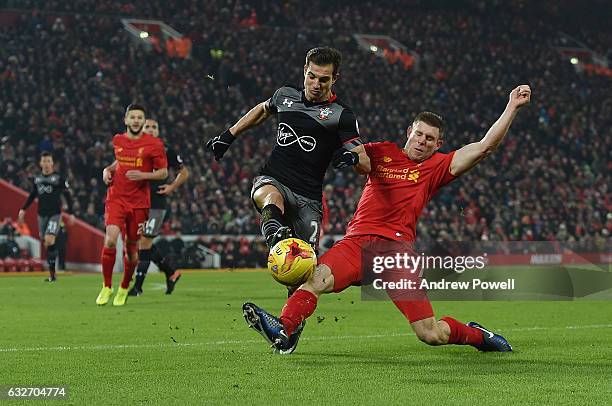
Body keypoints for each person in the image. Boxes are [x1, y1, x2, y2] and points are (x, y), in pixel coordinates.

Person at [243, 85, 532, 354]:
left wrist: (512, 107)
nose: (422, 141)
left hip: (396, 254)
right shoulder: (382, 152)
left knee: (430, 334)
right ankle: (284, 328)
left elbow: (483, 147)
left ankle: (478, 336)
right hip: (356, 243)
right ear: (409, 131)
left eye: (430, 138)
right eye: (419, 134)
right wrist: (350, 157)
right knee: (316, 279)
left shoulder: (437, 166)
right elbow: (354, 154)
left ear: (438, 144)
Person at [206, 46, 370, 253]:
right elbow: (262, 110)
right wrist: (228, 136)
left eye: (323, 79)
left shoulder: (341, 115)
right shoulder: (285, 95)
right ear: (304, 70)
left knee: (304, 274)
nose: (316, 84)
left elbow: (365, 163)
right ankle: (275, 237)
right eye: (312, 76)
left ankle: (290, 259)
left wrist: (351, 158)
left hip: (308, 198)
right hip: (274, 178)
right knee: (270, 197)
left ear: (334, 79)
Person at [96, 104, 168, 306]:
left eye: (139, 117)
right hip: (116, 198)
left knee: (132, 248)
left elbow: (163, 173)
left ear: (143, 122)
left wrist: (143, 175)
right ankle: (107, 286)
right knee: (110, 240)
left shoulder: (154, 144)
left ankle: (124, 286)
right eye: (133, 117)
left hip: (139, 203)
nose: (136, 120)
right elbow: (120, 161)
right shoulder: (118, 140)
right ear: (126, 120)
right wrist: (107, 169)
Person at [126, 118, 190, 296]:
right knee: (141, 243)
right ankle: (171, 272)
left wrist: (171, 187)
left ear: (158, 131)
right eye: (148, 127)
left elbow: (184, 173)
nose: (151, 129)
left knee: (145, 242)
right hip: (139, 203)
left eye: (154, 127)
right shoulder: (135, 149)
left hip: (157, 204)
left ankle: (138, 287)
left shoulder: (166, 150)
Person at [18, 151, 74, 281]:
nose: (47, 164)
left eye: (49, 161)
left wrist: (71, 213)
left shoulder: (59, 179)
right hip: (41, 215)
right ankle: (52, 275)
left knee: (49, 239)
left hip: (54, 214)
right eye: (44, 161)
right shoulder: (37, 179)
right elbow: (32, 195)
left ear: (52, 163)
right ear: (40, 163)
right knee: (47, 243)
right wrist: (23, 209)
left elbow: (68, 196)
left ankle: (53, 274)